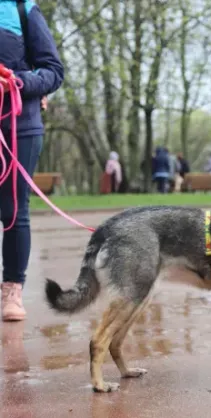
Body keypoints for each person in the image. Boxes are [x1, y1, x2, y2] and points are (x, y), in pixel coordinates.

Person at [0, 0, 64, 321]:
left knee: (13, 208)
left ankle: (12, 288)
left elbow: (53, 70)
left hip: (19, 125)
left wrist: (20, 82)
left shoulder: (23, 10)